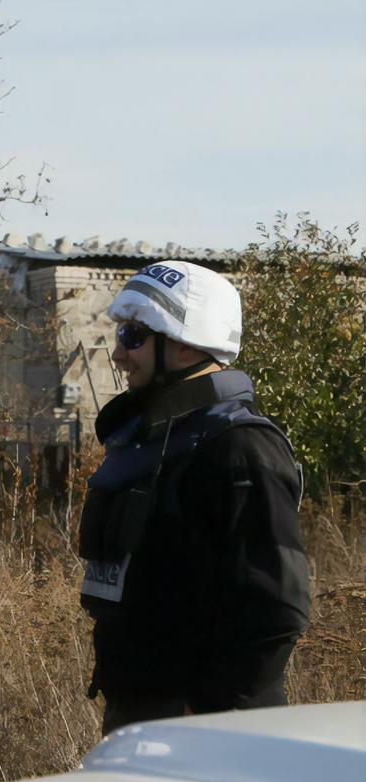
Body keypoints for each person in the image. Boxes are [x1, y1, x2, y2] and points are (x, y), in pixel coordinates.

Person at [79, 261, 310, 734]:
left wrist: (205, 719)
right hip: (144, 716)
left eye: (134, 336)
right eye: (123, 334)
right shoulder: (155, 441)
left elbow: (277, 608)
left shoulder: (240, 447)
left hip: (206, 731)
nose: (120, 354)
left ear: (184, 345)